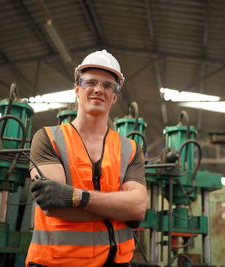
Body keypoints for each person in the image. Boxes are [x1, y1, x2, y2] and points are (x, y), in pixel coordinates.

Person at [25, 50, 148, 267]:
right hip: (57, 262)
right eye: (90, 82)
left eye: (107, 85)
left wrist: (76, 197)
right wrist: (120, 209)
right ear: (77, 90)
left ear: (114, 97)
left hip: (117, 263)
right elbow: (53, 205)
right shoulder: (48, 138)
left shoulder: (130, 148)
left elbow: (137, 208)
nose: (99, 90)